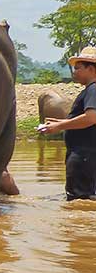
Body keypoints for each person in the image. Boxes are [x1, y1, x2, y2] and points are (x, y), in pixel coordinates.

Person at [38, 46, 96, 200]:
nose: (74, 72)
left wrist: (60, 126)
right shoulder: (90, 90)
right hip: (87, 155)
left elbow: (91, 118)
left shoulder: (93, 89)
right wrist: (63, 122)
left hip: (83, 155)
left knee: (78, 200)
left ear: (90, 69)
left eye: (78, 68)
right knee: (85, 197)